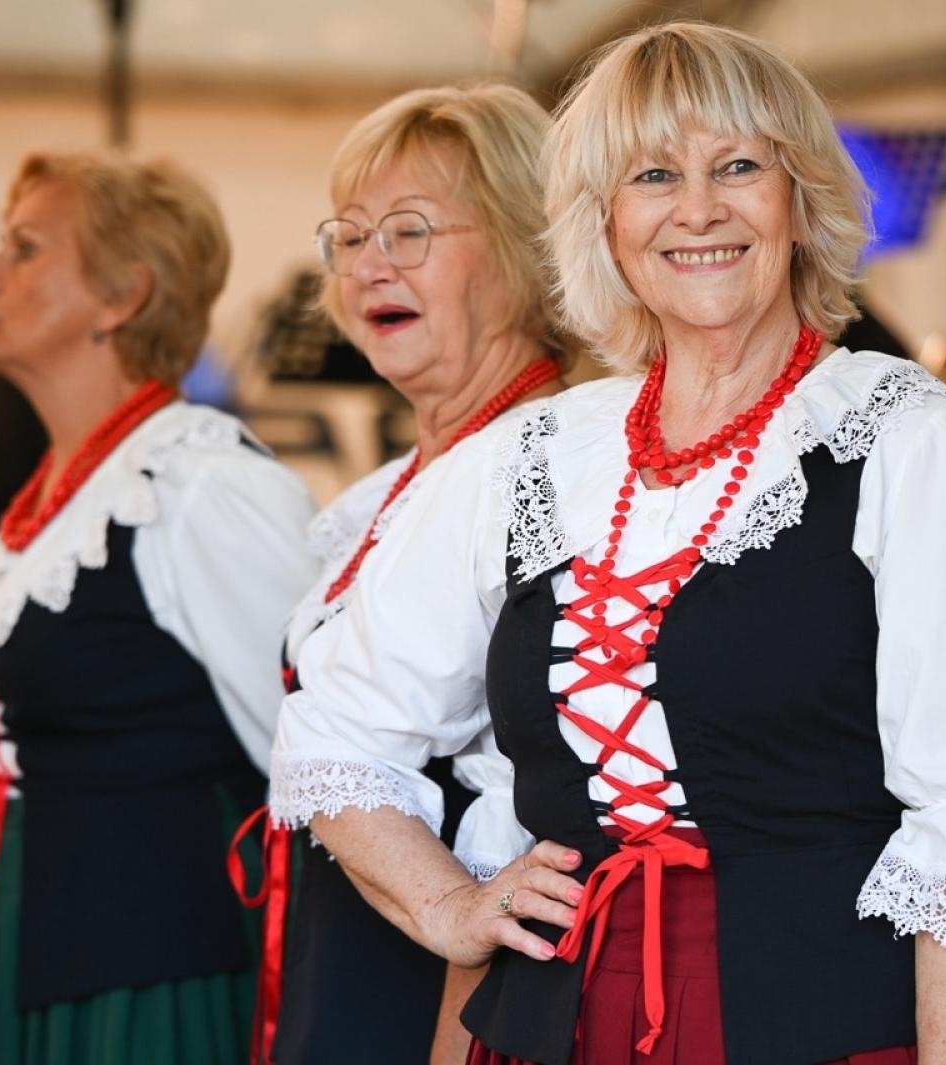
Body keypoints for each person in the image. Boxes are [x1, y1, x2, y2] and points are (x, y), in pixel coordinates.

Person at [270, 22, 946, 1065]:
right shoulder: (530, 459)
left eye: (738, 166)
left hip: (831, 1029)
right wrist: (449, 908)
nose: (697, 208)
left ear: (800, 199)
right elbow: (339, 734)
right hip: (553, 1028)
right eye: (652, 175)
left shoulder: (921, 450)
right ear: (601, 223)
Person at [0, 151, 316, 1065]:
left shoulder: (198, 482)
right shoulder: (68, 489)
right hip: (32, 937)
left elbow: (316, 758)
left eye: (25, 249)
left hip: (147, 974)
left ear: (121, 296)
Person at [248, 84, 568, 1065]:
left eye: (410, 231)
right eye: (348, 237)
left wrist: (456, 938)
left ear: (523, 244)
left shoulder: (551, 467)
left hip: (449, 986)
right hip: (353, 942)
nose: (367, 264)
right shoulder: (399, 487)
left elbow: (539, 777)